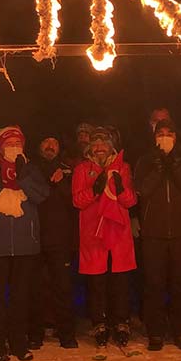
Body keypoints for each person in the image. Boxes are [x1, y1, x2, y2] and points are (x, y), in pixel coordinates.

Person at [0, 126, 49, 361]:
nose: (14, 148)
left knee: (20, 296)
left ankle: (18, 343)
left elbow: (41, 194)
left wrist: (22, 176)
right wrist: (2, 193)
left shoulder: (31, 170)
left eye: (18, 144)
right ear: (1, 147)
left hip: (26, 244)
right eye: (9, 144)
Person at [135, 119, 181, 351]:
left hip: (180, 231)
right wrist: (158, 168)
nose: (164, 137)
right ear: (154, 137)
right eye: (160, 133)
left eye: (169, 133)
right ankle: (155, 331)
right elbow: (142, 190)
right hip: (153, 231)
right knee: (154, 283)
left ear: (175, 136)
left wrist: (173, 163)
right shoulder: (145, 160)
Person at [74, 128, 138, 348]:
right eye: (96, 144)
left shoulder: (123, 168)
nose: (100, 148)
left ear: (112, 147)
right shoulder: (82, 169)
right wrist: (95, 190)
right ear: (90, 148)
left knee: (120, 282)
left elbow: (130, 201)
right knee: (97, 282)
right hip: (94, 234)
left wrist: (120, 189)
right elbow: (77, 201)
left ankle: (121, 321)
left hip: (118, 233)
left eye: (104, 143)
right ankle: (99, 322)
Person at [29, 134, 78, 349]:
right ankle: (35, 333)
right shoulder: (30, 169)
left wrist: (61, 183)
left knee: (63, 287)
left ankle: (66, 333)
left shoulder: (67, 171)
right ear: (39, 146)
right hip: (34, 237)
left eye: (55, 143)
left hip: (59, 238)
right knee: (35, 288)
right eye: (46, 142)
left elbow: (74, 201)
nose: (50, 146)